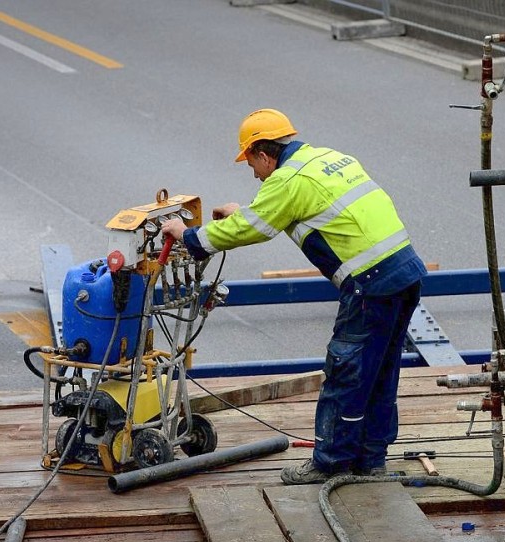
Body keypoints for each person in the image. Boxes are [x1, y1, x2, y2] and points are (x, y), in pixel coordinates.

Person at [161, 108, 426, 484]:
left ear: (263, 153)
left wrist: (188, 236)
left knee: (347, 371)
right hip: (405, 273)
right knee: (380, 371)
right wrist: (246, 212)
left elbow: (255, 227)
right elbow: (293, 211)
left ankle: (331, 462)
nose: (253, 172)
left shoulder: (287, 180)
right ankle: (370, 460)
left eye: (251, 162)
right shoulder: (329, 158)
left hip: (372, 283)